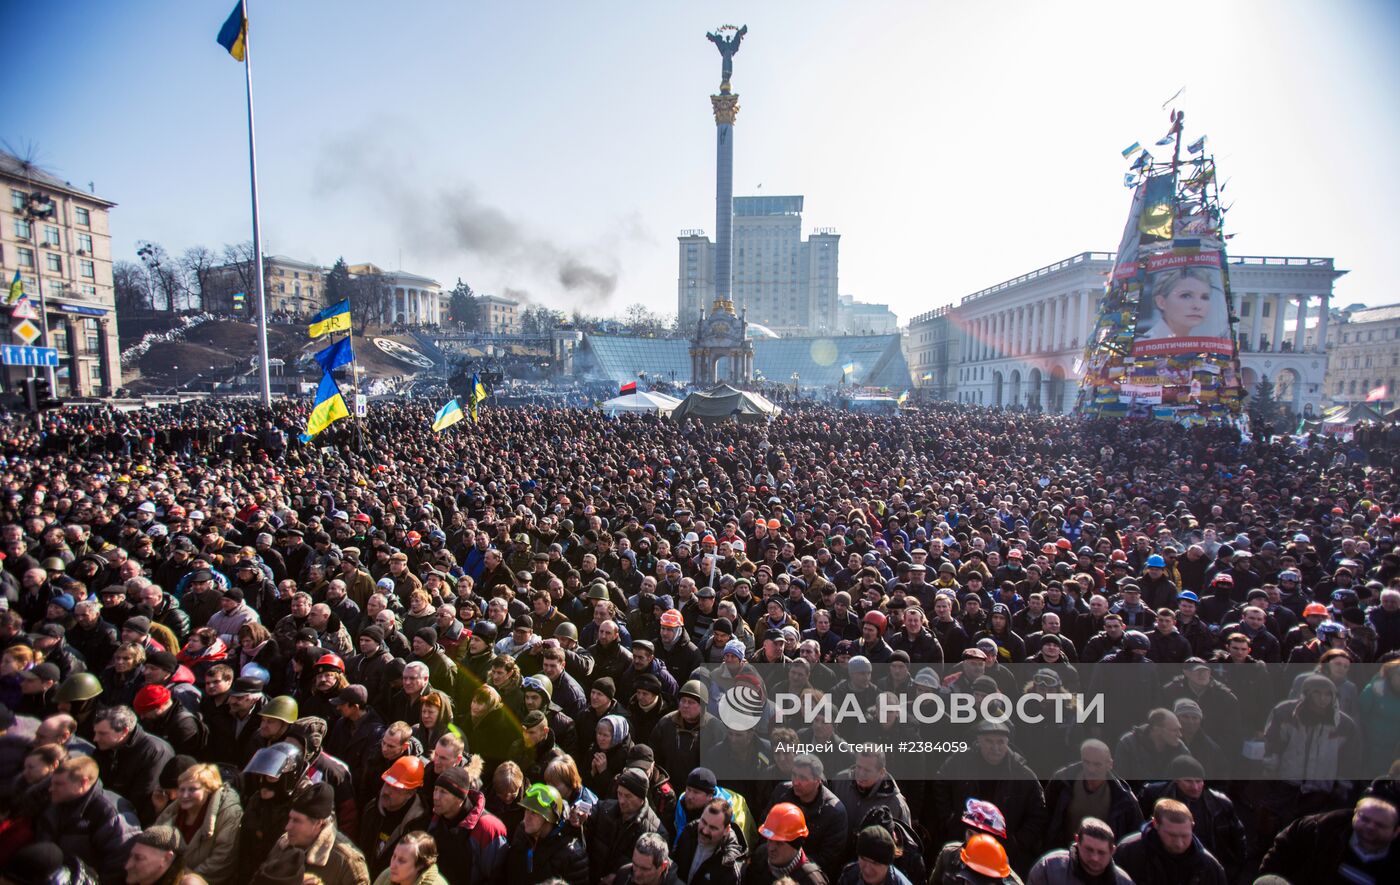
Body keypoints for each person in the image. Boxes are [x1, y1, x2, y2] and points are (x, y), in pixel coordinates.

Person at [37, 755, 141, 885]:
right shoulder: (56, 804)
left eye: (58, 784)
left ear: (83, 782)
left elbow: (117, 864)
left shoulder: (109, 813)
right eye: (52, 782)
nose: (51, 788)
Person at [1258, 795, 1400, 883]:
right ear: (1355, 814)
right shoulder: (1317, 830)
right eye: (1365, 818)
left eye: (1380, 825)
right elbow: (1277, 857)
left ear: (1395, 831)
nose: (1370, 827)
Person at [258, 782, 371, 885]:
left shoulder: (347, 861)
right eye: (290, 818)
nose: (288, 827)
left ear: (318, 823)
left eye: (297, 821)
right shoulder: (283, 844)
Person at [152, 763, 242, 885]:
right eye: (182, 789)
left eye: (192, 790)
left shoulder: (229, 812)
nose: (184, 795)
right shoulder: (175, 809)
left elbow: (222, 860)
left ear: (209, 789)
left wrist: (184, 878)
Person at [425, 763, 509, 885]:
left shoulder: (488, 827)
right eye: (435, 790)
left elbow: (496, 878)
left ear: (460, 798)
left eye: (443, 792)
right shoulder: (436, 817)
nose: (436, 797)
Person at [1112, 799, 1227, 885]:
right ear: (1155, 824)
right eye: (1172, 835)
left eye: (1185, 836)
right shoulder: (1128, 852)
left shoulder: (1209, 866)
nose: (1179, 843)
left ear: (1192, 827)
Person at [503, 783, 589, 885]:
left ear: (550, 818)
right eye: (526, 810)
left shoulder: (572, 855)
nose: (527, 817)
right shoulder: (521, 835)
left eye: (534, 813)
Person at [740, 803, 827, 885]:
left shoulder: (813, 881)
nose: (771, 848)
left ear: (796, 844)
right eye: (769, 840)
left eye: (779, 843)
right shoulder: (760, 857)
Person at [1027, 817, 1132, 885]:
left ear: (1112, 850)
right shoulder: (1048, 869)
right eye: (1089, 849)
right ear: (1077, 841)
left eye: (1101, 852)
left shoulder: (1123, 882)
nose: (1094, 858)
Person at [671, 797, 744, 885]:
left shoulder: (730, 863)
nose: (705, 831)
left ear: (726, 830)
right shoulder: (689, 833)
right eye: (703, 822)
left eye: (713, 828)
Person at [1138, 266, 1217, 341]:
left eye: (1204, 297)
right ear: (1161, 302)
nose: (1198, 306)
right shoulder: (1144, 347)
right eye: (1186, 296)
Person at [835, 825, 911, 885]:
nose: (867, 869)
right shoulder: (849, 875)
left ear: (887, 864)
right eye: (863, 859)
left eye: (875, 863)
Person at [373, 831, 448, 885]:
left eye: (402, 861)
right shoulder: (387, 875)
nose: (393, 865)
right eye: (394, 856)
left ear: (420, 865)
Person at [614, 832, 681, 885]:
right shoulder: (623, 875)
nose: (637, 874)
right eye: (635, 864)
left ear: (663, 866)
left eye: (644, 869)